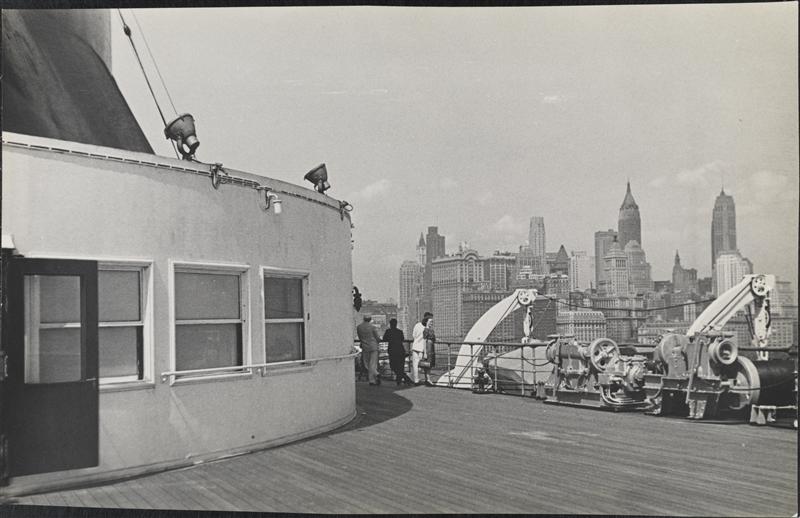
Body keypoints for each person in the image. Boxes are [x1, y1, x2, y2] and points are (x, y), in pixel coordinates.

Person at [382, 318, 411, 386]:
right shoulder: (400, 332)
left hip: (392, 351)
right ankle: (402, 379)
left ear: (390, 324)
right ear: (396, 324)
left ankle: (403, 379)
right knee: (400, 366)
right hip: (400, 350)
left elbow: (384, 339)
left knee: (393, 366)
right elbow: (402, 339)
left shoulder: (388, 331)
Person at [356, 314, 382, 385]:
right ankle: (376, 374)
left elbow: (360, 337)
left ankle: (372, 381)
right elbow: (377, 337)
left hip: (365, 347)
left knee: (367, 364)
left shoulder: (359, 327)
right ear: (370, 319)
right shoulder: (372, 327)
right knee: (373, 364)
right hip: (373, 346)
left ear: (363, 319)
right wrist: (379, 341)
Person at [411, 312, 433, 386]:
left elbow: (413, 335)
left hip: (415, 346)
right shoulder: (427, 328)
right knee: (424, 365)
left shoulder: (417, 325)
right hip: (422, 348)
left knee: (415, 365)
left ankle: (416, 380)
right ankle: (427, 379)